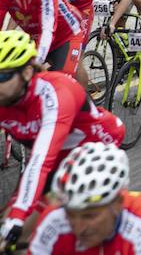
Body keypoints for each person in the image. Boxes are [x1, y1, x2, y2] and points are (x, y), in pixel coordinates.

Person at [0, 30, 124, 251]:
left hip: (92, 148)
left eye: (2, 76)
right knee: (10, 234)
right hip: (56, 155)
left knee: (63, 225)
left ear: (27, 72)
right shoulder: (5, 97)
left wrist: (19, 215)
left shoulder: (54, 94)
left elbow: (40, 162)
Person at [30, 142, 141, 254]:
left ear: (118, 203)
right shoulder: (55, 217)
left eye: (89, 215)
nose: (79, 228)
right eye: (71, 215)